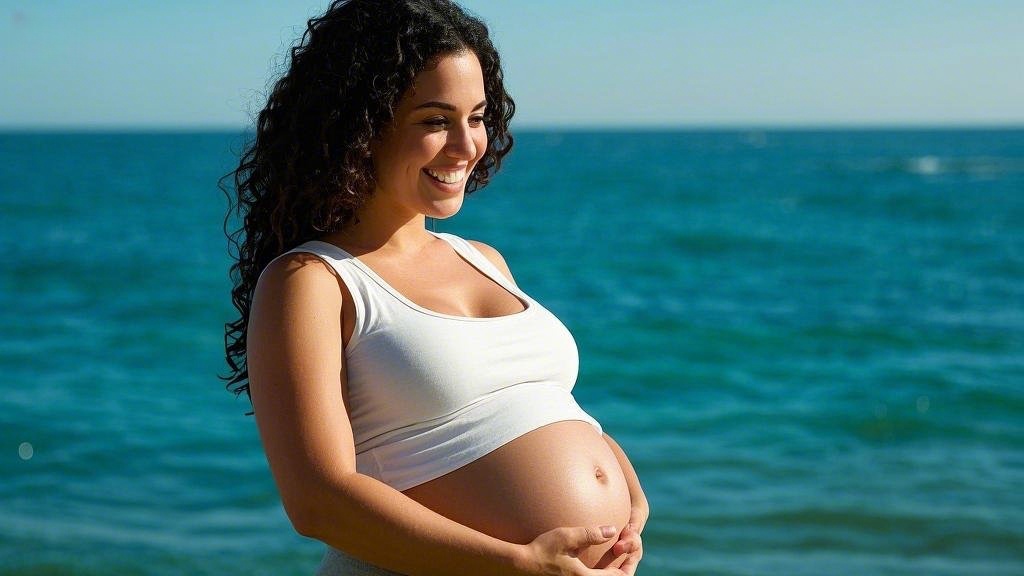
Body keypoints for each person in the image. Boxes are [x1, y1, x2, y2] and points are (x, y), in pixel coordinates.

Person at [221, 1, 649, 574]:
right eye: (434, 119)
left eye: (477, 117)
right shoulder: (312, 282)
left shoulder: (483, 260)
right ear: (360, 125)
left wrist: (629, 501)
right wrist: (512, 563)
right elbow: (317, 500)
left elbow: (540, 405)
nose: (467, 144)